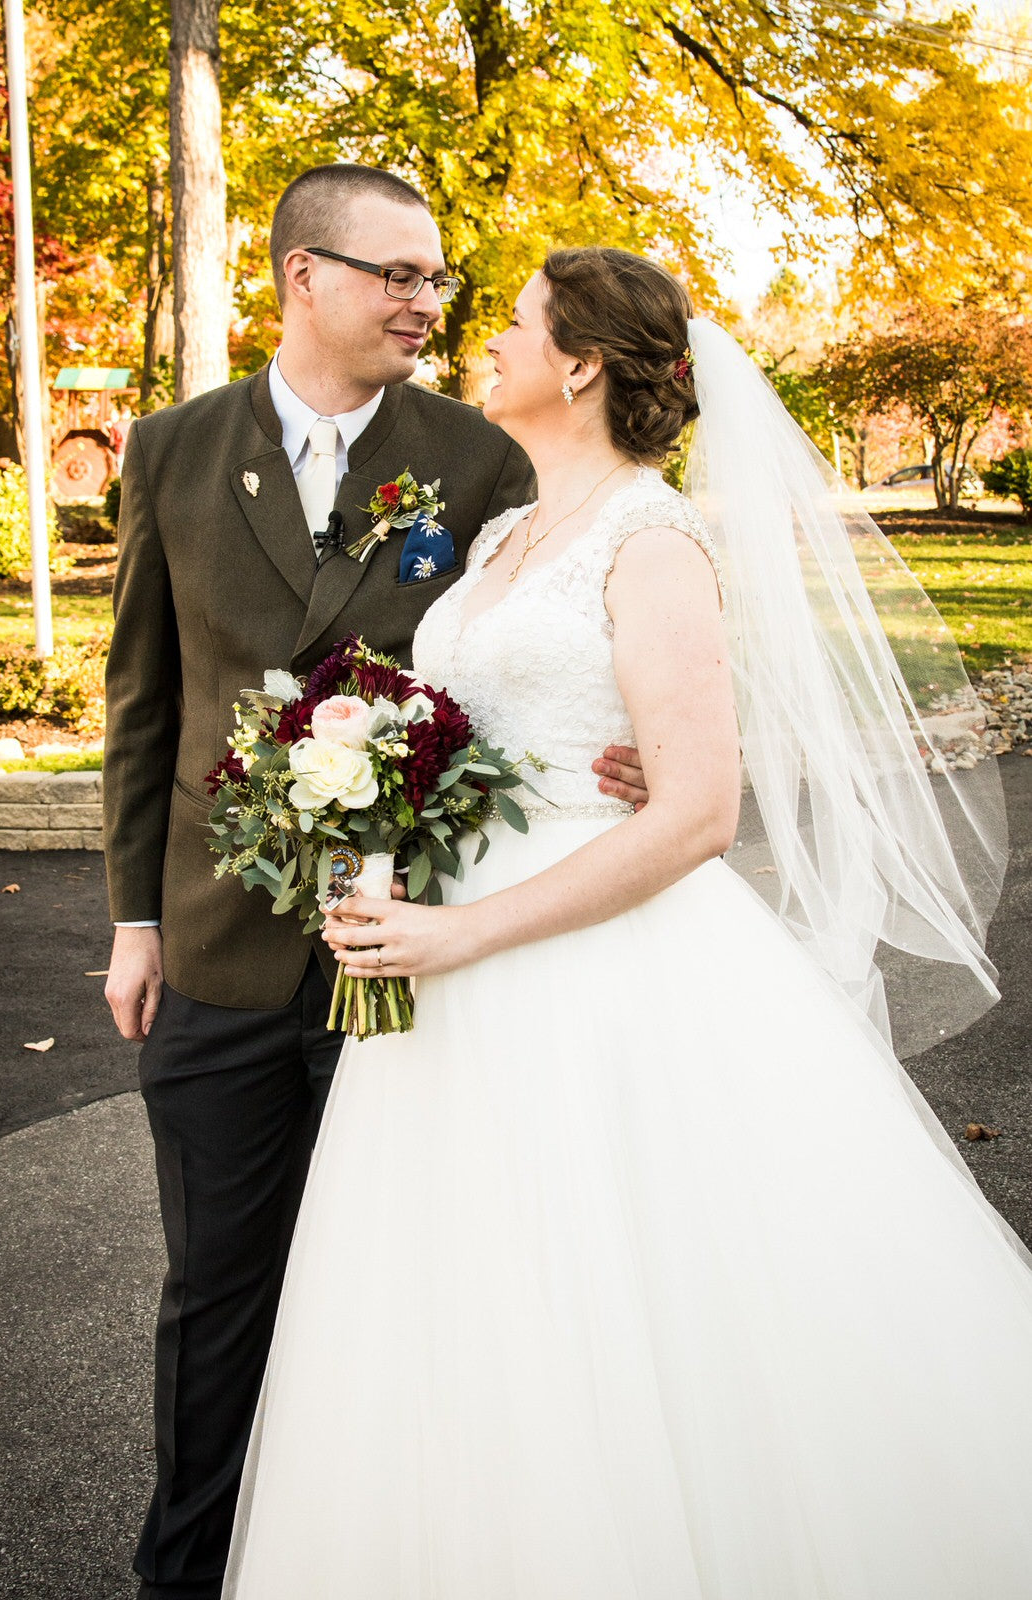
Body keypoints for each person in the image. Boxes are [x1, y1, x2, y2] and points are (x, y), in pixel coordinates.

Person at [222, 248, 1032, 1599]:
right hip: (447, 976)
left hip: (589, 970)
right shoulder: (500, 534)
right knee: (461, 1319)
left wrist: (466, 937)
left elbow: (698, 814)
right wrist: (378, 826)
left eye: (517, 329)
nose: (485, 346)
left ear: (582, 362)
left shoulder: (651, 537)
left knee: (616, 1310)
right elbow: (490, 733)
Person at [102, 169, 649, 1600]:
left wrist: (632, 745)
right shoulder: (171, 448)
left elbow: (595, 603)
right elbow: (143, 705)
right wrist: (134, 920)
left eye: (439, 282)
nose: (427, 303)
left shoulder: (483, 456)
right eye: (398, 275)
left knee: (403, 1298)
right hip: (217, 955)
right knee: (217, 1297)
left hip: (418, 967)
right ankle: (191, 1573)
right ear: (301, 275)